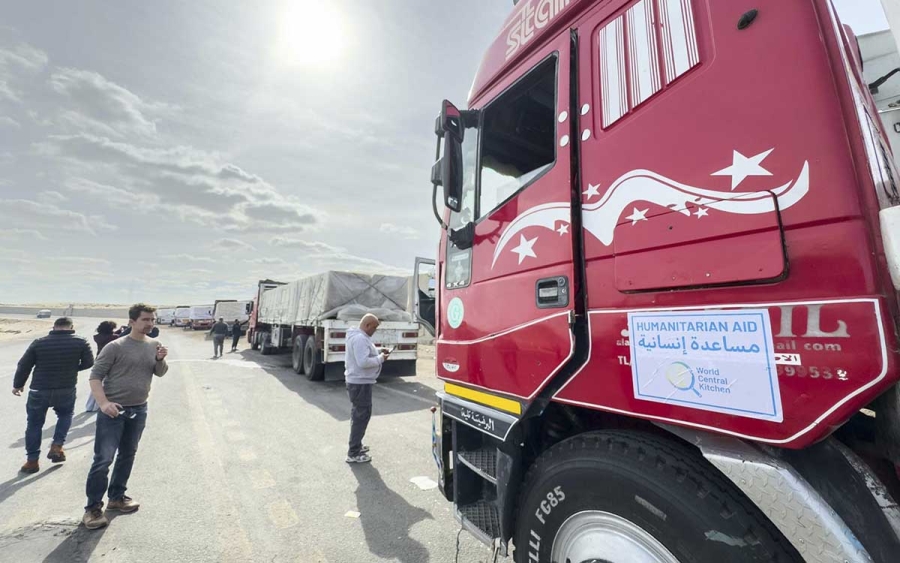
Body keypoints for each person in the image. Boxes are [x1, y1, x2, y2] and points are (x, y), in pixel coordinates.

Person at [82, 303, 168, 530]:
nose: (150, 324)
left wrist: (160, 359)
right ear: (132, 322)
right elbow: (95, 377)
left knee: (128, 455)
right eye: (145, 320)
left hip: (139, 409)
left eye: (152, 320)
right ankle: (92, 509)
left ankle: (117, 497)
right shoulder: (115, 347)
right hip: (114, 411)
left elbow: (159, 373)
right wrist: (103, 403)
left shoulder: (154, 345)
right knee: (103, 460)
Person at [12, 317, 94, 474]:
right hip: (66, 388)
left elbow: (24, 364)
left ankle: (32, 461)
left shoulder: (39, 342)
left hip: (39, 389)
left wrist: (18, 385)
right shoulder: (81, 342)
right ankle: (57, 445)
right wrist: (71, 369)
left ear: (54, 327)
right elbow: (89, 362)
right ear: (71, 327)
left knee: (34, 425)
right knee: (65, 415)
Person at [344, 313, 390, 464]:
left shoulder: (361, 337)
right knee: (361, 417)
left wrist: (378, 351)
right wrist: (381, 359)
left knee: (361, 415)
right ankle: (353, 453)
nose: (375, 330)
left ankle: (356, 445)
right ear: (367, 325)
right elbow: (363, 362)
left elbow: (365, 354)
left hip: (361, 382)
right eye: (374, 327)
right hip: (359, 383)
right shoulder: (359, 339)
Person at [86, 321, 120, 413]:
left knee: (96, 383)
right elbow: (116, 338)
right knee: (105, 385)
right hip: (110, 362)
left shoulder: (97, 337)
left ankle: (89, 406)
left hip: (99, 360)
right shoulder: (114, 338)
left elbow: (109, 337)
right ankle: (98, 405)